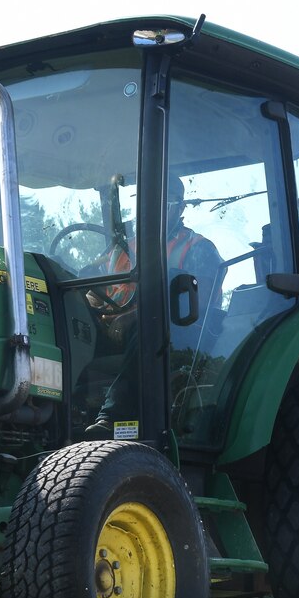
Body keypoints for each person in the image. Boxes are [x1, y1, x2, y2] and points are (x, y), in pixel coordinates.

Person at [84, 177, 222, 437]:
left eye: (165, 202)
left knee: (151, 325)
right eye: (146, 200)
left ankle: (112, 418)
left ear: (180, 208)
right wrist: (88, 304)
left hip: (180, 334)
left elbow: (194, 305)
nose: (153, 208)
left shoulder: (198, 248)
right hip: (118, 329)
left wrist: (133, 317)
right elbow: (95, 288)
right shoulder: (123, 249)